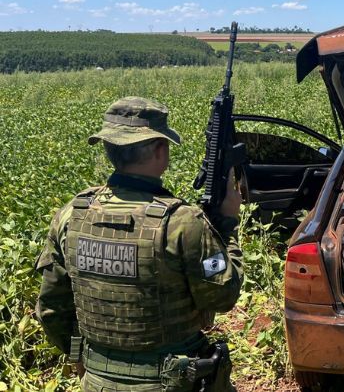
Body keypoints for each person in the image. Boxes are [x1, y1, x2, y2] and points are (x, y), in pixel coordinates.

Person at [35, 97, 244, 391]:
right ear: (161, 148)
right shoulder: (181, 222)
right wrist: (227, 225)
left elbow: (51, 308)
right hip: (172, 382)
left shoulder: (72, 214)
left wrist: (79, 360)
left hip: (97, 381)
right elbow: (223, 297)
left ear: (109, 149)